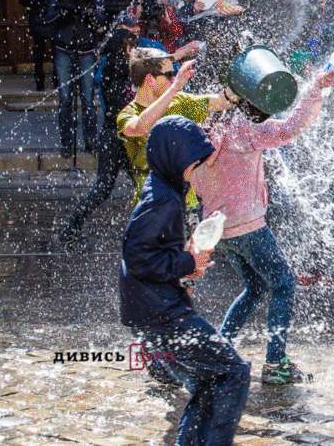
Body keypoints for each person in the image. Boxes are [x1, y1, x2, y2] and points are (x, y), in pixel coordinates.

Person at [191, 68, 334, 385]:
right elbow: (291, 129)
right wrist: (313, 90)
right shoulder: (243, 129)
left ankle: (218, 352)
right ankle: (275, 363)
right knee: (283, 284)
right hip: (248, 225)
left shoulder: (200, 133)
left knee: (256, 288)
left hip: (218, 229)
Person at [119, 115, 249, 446]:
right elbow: (137, 257)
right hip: (161, 314)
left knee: (209, 380)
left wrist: (183, 266)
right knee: (233, 373)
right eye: (194, 159)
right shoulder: (163, 198)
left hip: (153, 310)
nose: (199, 167)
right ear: (174, 155)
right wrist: (188, 260)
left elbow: (150, 253)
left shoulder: (164, 188)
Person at [54, 12, 140, 250]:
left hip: (123, 137)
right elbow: (120, 108)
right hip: (115, 138)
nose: (133, 52)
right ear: (120, 49)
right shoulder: (114, 74)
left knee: (142, 186)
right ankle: (71, 228)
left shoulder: (125, 72)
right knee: (104, 188)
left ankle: (151, 233)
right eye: (129, 48)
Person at [117, 48, 232, 208]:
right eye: (170, 75)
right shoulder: (127, 114)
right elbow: (141, 127)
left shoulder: (179, 100)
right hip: (153, 208)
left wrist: (240, 83)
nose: (174, 80)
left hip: (187, 206)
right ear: (150, 80)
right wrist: (174, 88)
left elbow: (222, 101)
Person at [46, 0, 104, 157]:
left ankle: (91, 143)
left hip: (86, 53)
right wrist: (65, 9)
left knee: (88, 100)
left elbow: (102, 22)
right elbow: (49, 18)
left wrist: (90, 11)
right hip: (64, 51)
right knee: (65, 100)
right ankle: (67, 144)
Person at [22, 0, 66, 91]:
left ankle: (56, 79)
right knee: (39, 51)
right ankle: (39, 82)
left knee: (57, 50)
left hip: (53, 13)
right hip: (39, 14)